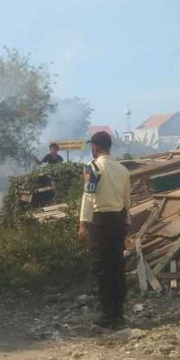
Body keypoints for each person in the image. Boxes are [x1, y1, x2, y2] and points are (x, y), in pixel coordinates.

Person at [77, 131, 130, 329]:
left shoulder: (93, 168)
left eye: (92, 146)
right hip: (118, 221)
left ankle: (107, 314)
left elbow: (88, 197)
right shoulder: (122, 170)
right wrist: (127, 222)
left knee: (102, 267)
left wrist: (83, 224)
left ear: (96, 147)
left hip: (100, 223)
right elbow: (127, 200)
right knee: (117, 265)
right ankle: (119, 313)